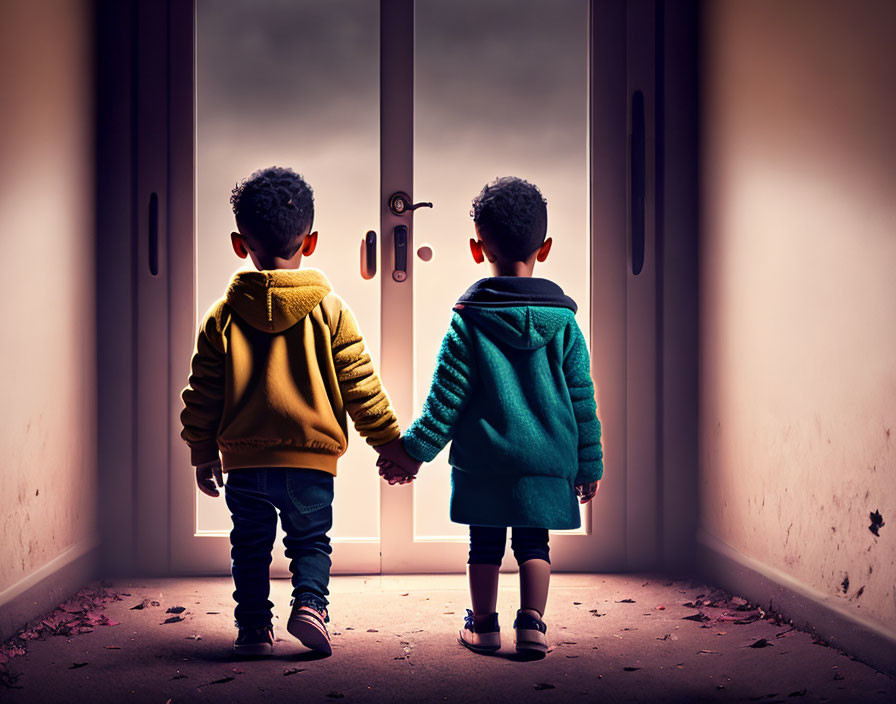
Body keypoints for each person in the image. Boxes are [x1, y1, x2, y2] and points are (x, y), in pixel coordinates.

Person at [180, 166, 416, 657]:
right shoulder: (330, 310)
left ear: (238, 243)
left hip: (244, 463)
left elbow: (202, 392)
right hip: (310, 463)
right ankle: (310, 605)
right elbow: (360, 385)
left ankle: (252, 628)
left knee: (249, 545)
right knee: (311, 542)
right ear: (310, 241)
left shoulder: (222, 316)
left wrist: (202, 452)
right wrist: (392, 444)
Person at [378, 176, 603, 659]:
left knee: (484, 547)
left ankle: (482, 627)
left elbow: (446, 400)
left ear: (478, 249)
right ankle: (533, 626)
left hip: (484, 460)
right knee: (534, 546)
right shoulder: (564, 322)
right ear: (544, 248)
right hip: (545, 460)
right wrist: (590, 466)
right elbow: (582, 399)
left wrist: (411, 454)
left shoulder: (470, 319)